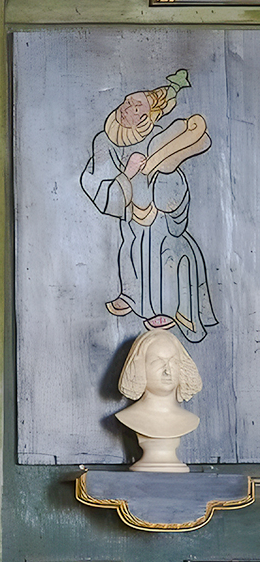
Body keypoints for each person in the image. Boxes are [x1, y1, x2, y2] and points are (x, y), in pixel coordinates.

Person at [80, 69, 216, 343]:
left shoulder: (158, 139)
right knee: (130, 249)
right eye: (127, 102)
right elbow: (95, 182)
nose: (126, 107)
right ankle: (131, 294)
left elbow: (172, 181)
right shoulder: (104, 140)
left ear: (146, 116)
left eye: (135, 106)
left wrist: (160, 173)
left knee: (160, 252)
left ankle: (163, 307)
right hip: (130, 213)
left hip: (158, 215)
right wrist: (127, 174)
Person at [115, 328, 202, 472]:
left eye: (173, 362)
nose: (167, 371)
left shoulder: (191, 420)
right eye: (157, 362)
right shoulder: (128, 417)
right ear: (140, 367)